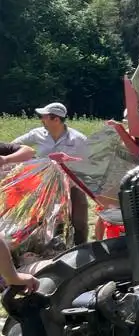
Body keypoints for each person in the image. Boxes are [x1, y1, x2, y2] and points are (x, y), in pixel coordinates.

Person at [12, 102, 90, 246]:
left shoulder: (78, 139)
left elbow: (90, 161)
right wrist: (33, 161)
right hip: (45, 186)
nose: (41, 119)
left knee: (79, 221)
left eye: (44, 117)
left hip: (72, 185)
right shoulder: (37, 134)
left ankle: (82, 249)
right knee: (45, 220)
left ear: (56, 119)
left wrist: (70, 160)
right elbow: (14, 146)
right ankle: (50, 250)